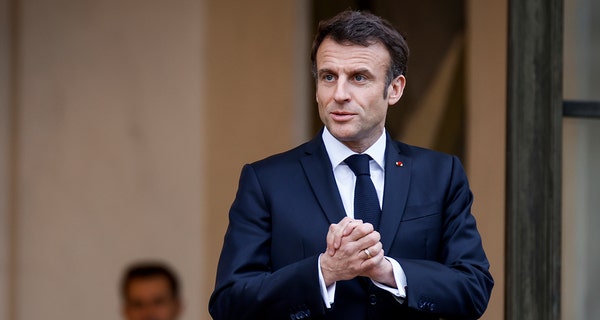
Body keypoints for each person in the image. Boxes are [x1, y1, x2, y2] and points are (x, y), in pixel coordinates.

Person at [209, 10, 493, 320]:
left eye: (359, 77)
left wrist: (389, 272)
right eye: (329, 76)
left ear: (394, 89)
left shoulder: (441, 174)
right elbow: (229, 303)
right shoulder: (266, 181)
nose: (339, 95)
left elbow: (474, 288)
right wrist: (325, 271)